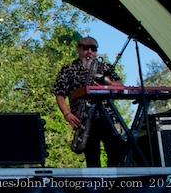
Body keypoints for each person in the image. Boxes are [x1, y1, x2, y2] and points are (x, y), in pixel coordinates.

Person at [53, 35, 126, 167]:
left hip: (108, 116)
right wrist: (67, 114)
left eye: (93, 48)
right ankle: (96, 185)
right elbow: (59, 93)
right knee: (92, 157)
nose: (90, 51)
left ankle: (115, 184)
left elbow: (120, 85)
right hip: (84, 117)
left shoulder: (105, 68)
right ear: (78, 49)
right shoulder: (68, 69)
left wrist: (107, 82)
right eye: (86, 48)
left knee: (117, 150)